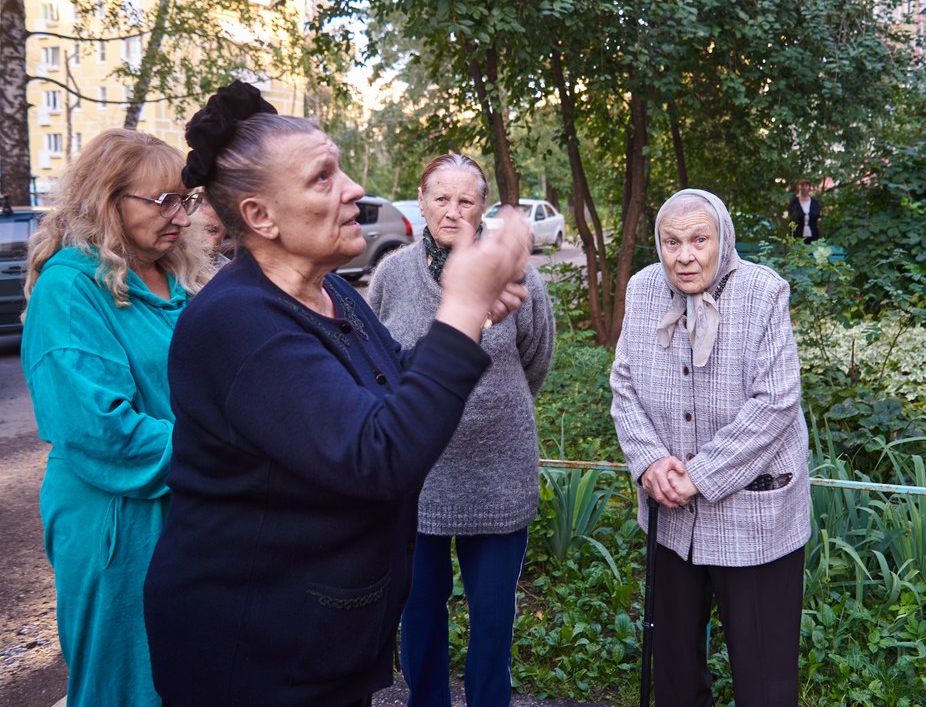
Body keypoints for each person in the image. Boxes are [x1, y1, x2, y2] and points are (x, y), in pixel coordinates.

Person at [143, 82, 533, 707]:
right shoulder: (236, 323)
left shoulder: (333, 292)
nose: (353, 188)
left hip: (316, 637)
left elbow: (392, 380)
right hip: (252, 654)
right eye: (323, 178)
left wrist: (476, 313)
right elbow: (379, 455)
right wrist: (459, 307)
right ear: (260, 217)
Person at [20, 128, 211, 707]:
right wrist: (230, 449)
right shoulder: (70, 287)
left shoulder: (181, 277)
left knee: (193, 674)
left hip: (191, 505)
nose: (179, 214)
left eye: (186, 199)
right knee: (125, 682)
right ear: (108, 200)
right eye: (162, 201)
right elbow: (101, 431)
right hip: (116, 521)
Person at [610, 188, 810, 707]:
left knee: (764, 682)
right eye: (672, 241)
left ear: (723, 238)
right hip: (671, 516)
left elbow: (776, 402)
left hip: (755, 516)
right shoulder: (643, 288)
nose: (685, 255)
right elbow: (624, 384)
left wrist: (700, 476)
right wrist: (649, 461)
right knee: (674, 675)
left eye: (700, 239)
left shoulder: (763, 291)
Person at [368, 154, 554, 707]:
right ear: (421, 202)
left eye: (466, 200)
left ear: (482, 208)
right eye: (441, 198)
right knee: (419, 610)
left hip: (498, 474)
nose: (453, 211)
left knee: (493, 615)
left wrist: (493, 408)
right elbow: (376, 363)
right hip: (416, 477)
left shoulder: (516, 272)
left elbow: (535, 359)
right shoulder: (392, 274)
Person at [788, 178, 822, 242]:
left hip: (813, 235)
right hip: (797, 235)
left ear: (809, 187)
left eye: (806, 186)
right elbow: (792, 217)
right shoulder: (794, 203)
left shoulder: (815, 202)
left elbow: (818, 216)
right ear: (799, 188)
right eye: (802, 185)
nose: (804, 188)